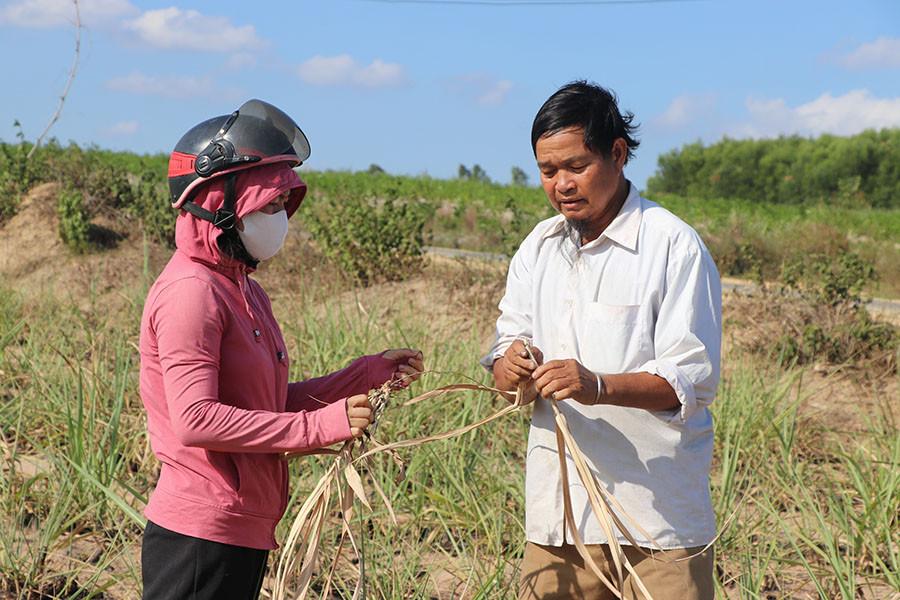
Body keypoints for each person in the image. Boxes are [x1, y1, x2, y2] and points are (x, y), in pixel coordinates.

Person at [139, 99, 424, 600]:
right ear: (218, 203)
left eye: (281, 204)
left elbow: (264, 404)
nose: (280, 218)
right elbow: (196, 420)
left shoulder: (244, 290)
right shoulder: (192, 293)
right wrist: (320, 426)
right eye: (267, 204)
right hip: (200, 535)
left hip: (240, 528)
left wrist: (362, 378)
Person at [481, 81, 721, 599]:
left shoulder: (672, 246)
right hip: (560, 522)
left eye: (576, 166)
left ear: (617, 153)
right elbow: (504, 369)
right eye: (548, 171)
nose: (562, 184)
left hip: (657, 525)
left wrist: (597, 386)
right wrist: (513, 367)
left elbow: (691, 381)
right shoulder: (539, 247)